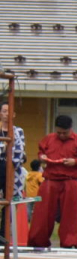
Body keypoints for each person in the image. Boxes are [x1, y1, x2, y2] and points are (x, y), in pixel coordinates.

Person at [28, 115, 77, 248]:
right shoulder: (48, 139)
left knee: (71, 214)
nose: (61, 135)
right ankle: (38, 241)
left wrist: (75, 162)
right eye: (59, 132)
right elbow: (40, 153)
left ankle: (70, 242)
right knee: (42, 213)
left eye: (65, 133)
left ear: (70, 129)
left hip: (70, 180)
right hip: (50, 180)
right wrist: (42, 158)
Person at [0, 101, 25, 243]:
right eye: (4, 111)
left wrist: (12, 165)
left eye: (9, 111)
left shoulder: (18, 131)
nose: (6, 114)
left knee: (9, 202)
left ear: (14, 114)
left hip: (11, 169)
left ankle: (4, 234)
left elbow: (20, 151)